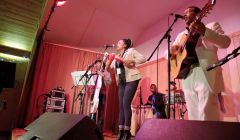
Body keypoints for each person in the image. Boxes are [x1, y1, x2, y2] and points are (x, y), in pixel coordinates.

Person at [170, 6, 231, 121]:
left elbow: (226, 42)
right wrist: (171, 51)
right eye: (184, 12)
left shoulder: (211, 26)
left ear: (199, 13)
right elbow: (170, 54)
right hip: (186, 73)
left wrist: (204, 31)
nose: (185, 13)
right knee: (193, 115)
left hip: (205, 71)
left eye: (189, 11)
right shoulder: (180, 36)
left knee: (207, 112)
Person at [106, 38, 146, 140]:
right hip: (122, 82)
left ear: (125, 45)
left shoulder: (131, 51)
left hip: (132, 79)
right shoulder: (116, 57)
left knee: (125, 103)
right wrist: (108, 59)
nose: (117, 44)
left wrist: (128, 61)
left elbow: (143, 59)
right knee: (121, 106)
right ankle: (120, 131)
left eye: (119, 42)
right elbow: (109, 69)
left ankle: (127, 132)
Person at [90, 60, 112, 134]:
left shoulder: (106, 73)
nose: (97, 66)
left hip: (102, 94)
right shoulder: (93, 73)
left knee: (101, 112)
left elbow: (109, 82)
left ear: (102, 66)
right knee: (93, 111)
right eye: (96, 65)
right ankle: (91, 129)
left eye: (99, 65)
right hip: (93, 94)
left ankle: (99, 130)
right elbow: (90, 85)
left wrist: (103, 75)